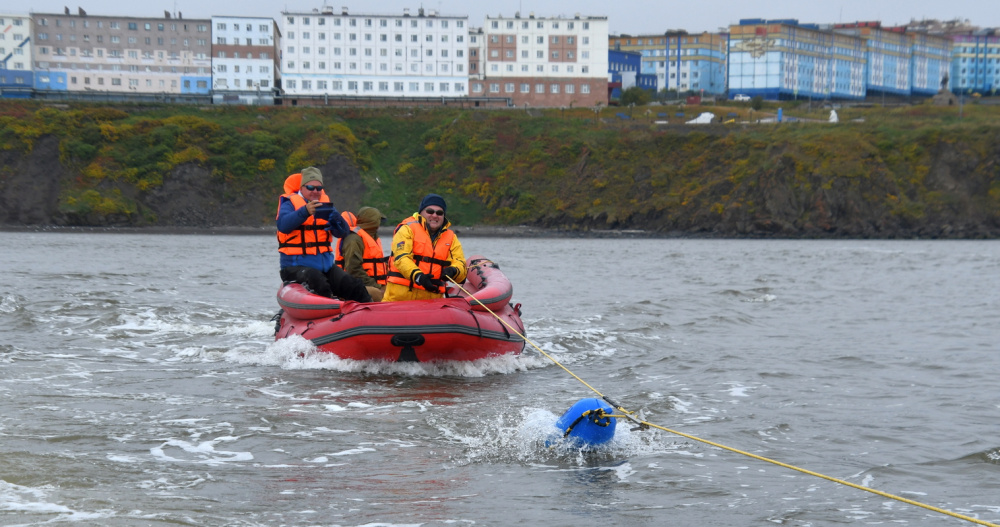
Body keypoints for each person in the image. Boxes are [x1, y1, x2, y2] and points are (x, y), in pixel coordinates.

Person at [275, 166, 372, 303]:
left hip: (325, 267)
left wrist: (335, 219)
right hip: (294, 267)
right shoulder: (289, 203)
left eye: (319, 188)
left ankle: (369, 314)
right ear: (302, 187)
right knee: (318, 281)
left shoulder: (325, 205)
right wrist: (305, 211)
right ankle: (329, 314)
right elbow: (283, 225)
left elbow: (343, 233)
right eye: (310, 187)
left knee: (354, 285)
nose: (315, 191)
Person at [382, 193, 467, 302]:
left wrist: (453, 270)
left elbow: (460, 265)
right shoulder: (407, 229)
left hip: (432, 303)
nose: (435, 215)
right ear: (421, 212)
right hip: (399, 300)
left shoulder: (451, 238)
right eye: (430, 211)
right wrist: (419, 277)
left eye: (439, 213)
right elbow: (401, 259)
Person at [334, 206, 389, 302]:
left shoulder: (372, 237)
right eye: (378, 220)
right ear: (373, 222)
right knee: (383, 296)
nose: (379, 224)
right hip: (358, 285)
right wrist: (377, 286)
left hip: (375, 284)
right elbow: (353, 270)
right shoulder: (354, 239)